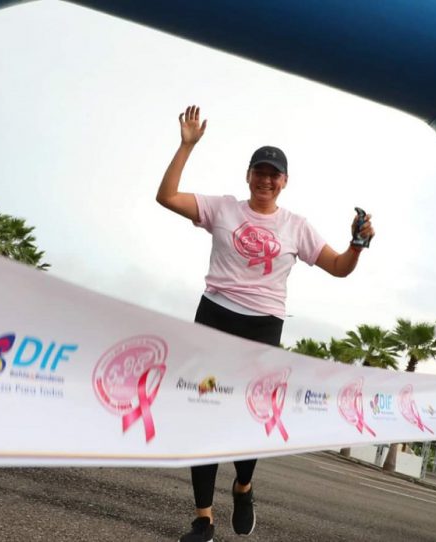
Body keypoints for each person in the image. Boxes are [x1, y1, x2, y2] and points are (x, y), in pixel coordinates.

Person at [156, 105, 375, 542]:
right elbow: (167, 196)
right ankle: (203, 519)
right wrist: (186, 145)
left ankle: (243, 486)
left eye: (275, 174)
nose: (266, 180)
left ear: (284, 181)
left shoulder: (296, 226)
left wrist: (356, 245)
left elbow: (338, 267)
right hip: (215, 316)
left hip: (263, 327)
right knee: (203, 411)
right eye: (260, 171)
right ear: (248, 175)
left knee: (250, 418)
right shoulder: (222, 208)